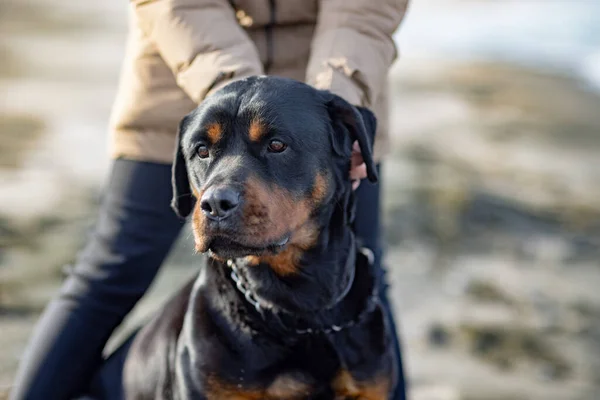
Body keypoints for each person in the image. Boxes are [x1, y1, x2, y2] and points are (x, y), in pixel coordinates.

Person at [11, 1, 410, 399]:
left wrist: (337, 102)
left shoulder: (335, 125)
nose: (216, 198)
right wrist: (228, 93)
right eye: (202, 155)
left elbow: (364, 9)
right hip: (183, 64)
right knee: (112, 269)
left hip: (327, 79)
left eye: (273, 147)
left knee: (360, 271)